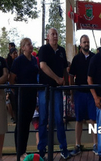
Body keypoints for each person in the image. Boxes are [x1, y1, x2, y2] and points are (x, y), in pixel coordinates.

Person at [37, 28, 71, 160]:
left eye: (56, 34)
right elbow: (42, 66)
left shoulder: (61, 51)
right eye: (52, 34)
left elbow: (64, 69)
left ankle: (64, 148)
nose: (55, 36)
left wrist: (66, 83)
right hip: (45, 89)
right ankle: (42, 151)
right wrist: (57, 79)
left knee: (59, 119)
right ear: (48, 37)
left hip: (57, 90)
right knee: (43, 119)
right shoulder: (44, 49)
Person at [9, 38, 39, 160]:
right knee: (20, 124)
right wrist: (16, 91)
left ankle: (23, 150)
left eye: (31, 44)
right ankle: (19, 151)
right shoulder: (18, 61)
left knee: (27, 124)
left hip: (32, 95)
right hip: (21, 96)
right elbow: (12, 79)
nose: (31, 46)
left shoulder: (33, 60)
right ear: (22, 47)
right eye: (28, 44)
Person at [69, 35, 98, 156]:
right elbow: (71, 76)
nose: (86, 44)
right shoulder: (76, 59)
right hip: (79, 93)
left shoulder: (94, 57)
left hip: (91, 93)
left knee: (93, 120)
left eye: (88, 42)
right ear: (80, 44)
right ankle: (77, 144)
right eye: (84, 42)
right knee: (79, 120)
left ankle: (95, 144)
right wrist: (72, 92)